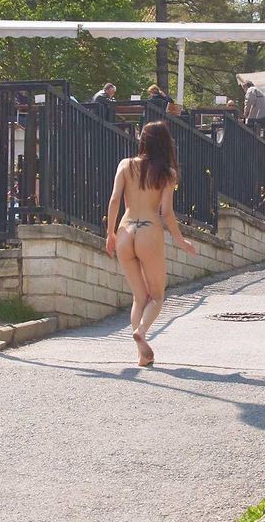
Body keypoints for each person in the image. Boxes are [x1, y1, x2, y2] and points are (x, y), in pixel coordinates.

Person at [106, 121, 197, 366]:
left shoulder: (125, 165)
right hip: (149, 231)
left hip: (125, 231)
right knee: (156, 296)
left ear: (143, 140)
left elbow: (114, 200)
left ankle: (142, 354)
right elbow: (166, 212)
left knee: (139, 296)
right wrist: (181, 240)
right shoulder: (167, 173)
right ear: (166, 143)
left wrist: (110, 233)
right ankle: (142, 332)